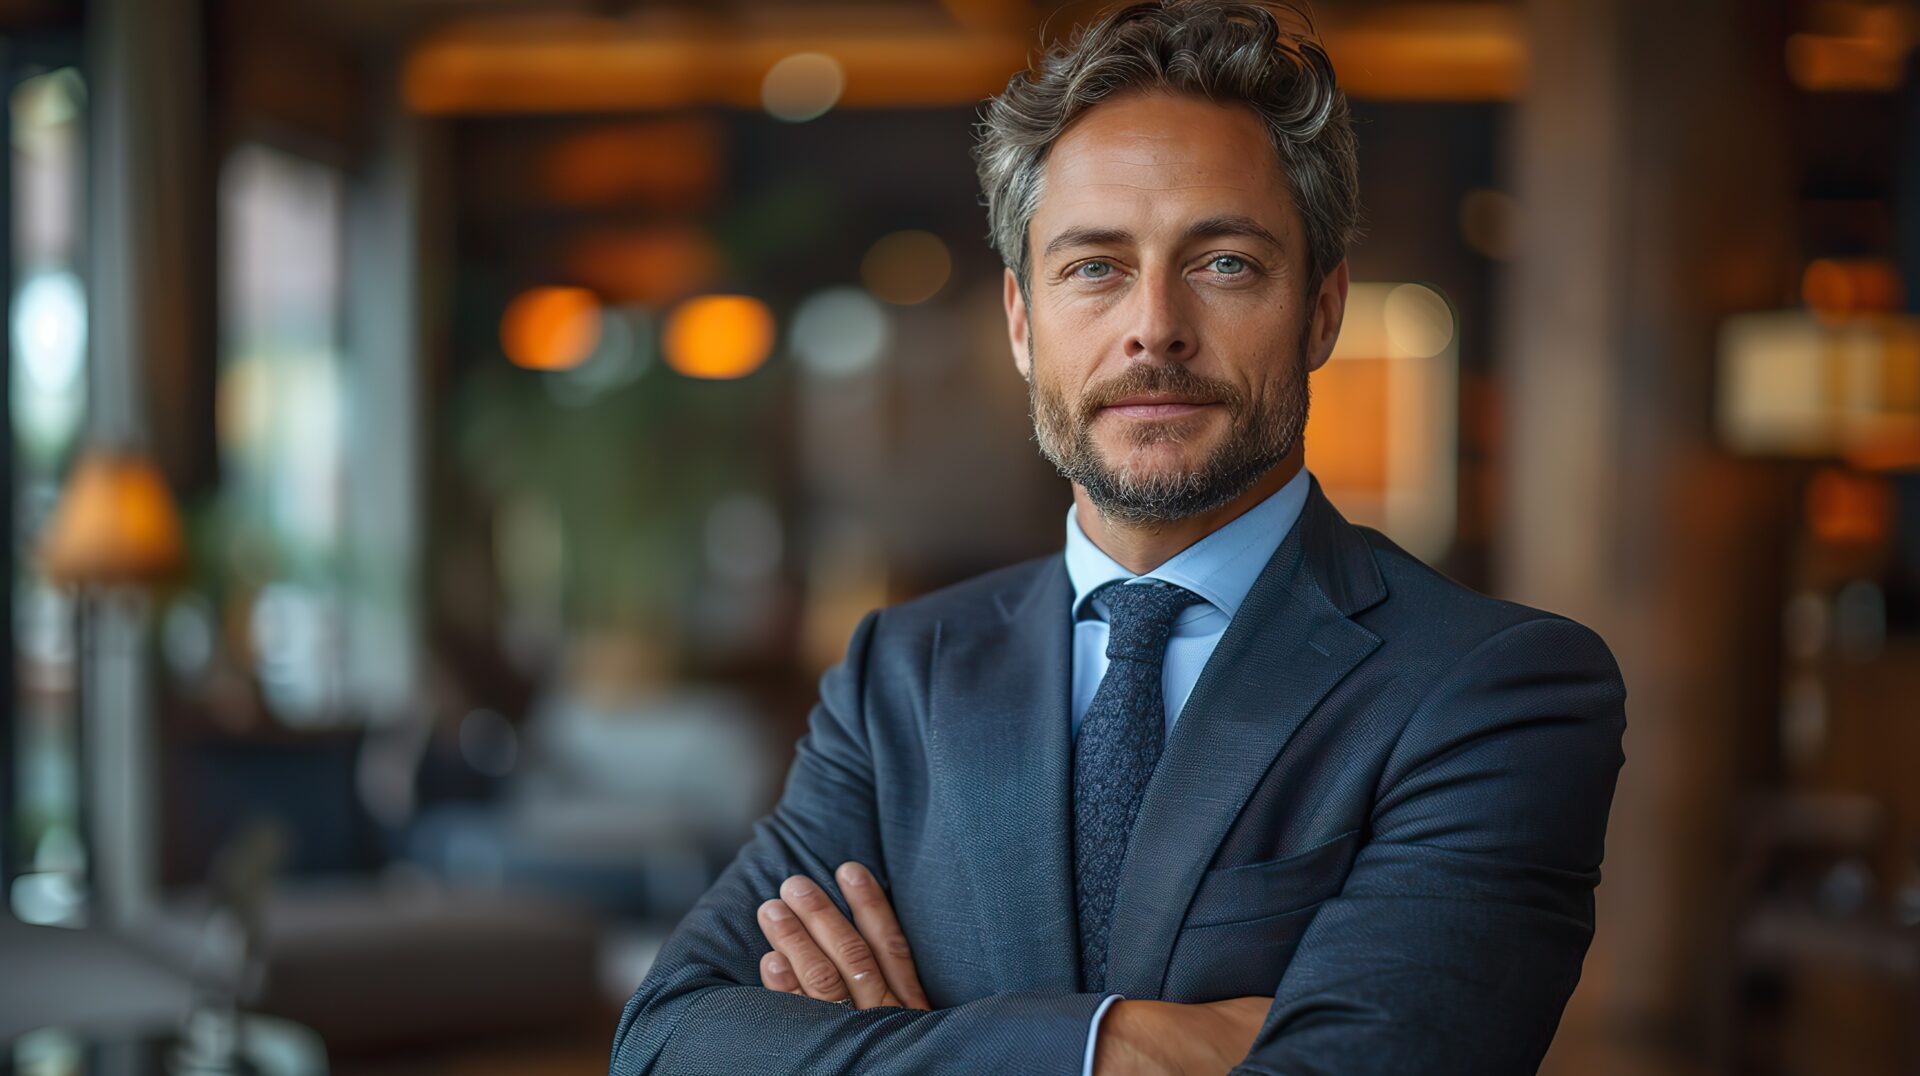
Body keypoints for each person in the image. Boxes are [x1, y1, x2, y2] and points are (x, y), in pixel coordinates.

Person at [611, 2, 1627, 1073]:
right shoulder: (899, 675)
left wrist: (897, 1045)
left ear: (1323, 308)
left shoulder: (1498, 688)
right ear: (1020, 320)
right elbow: (669, 1036)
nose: (1154, 324)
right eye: (1094, 266)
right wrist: (1114, 1042)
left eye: (1225, 262)